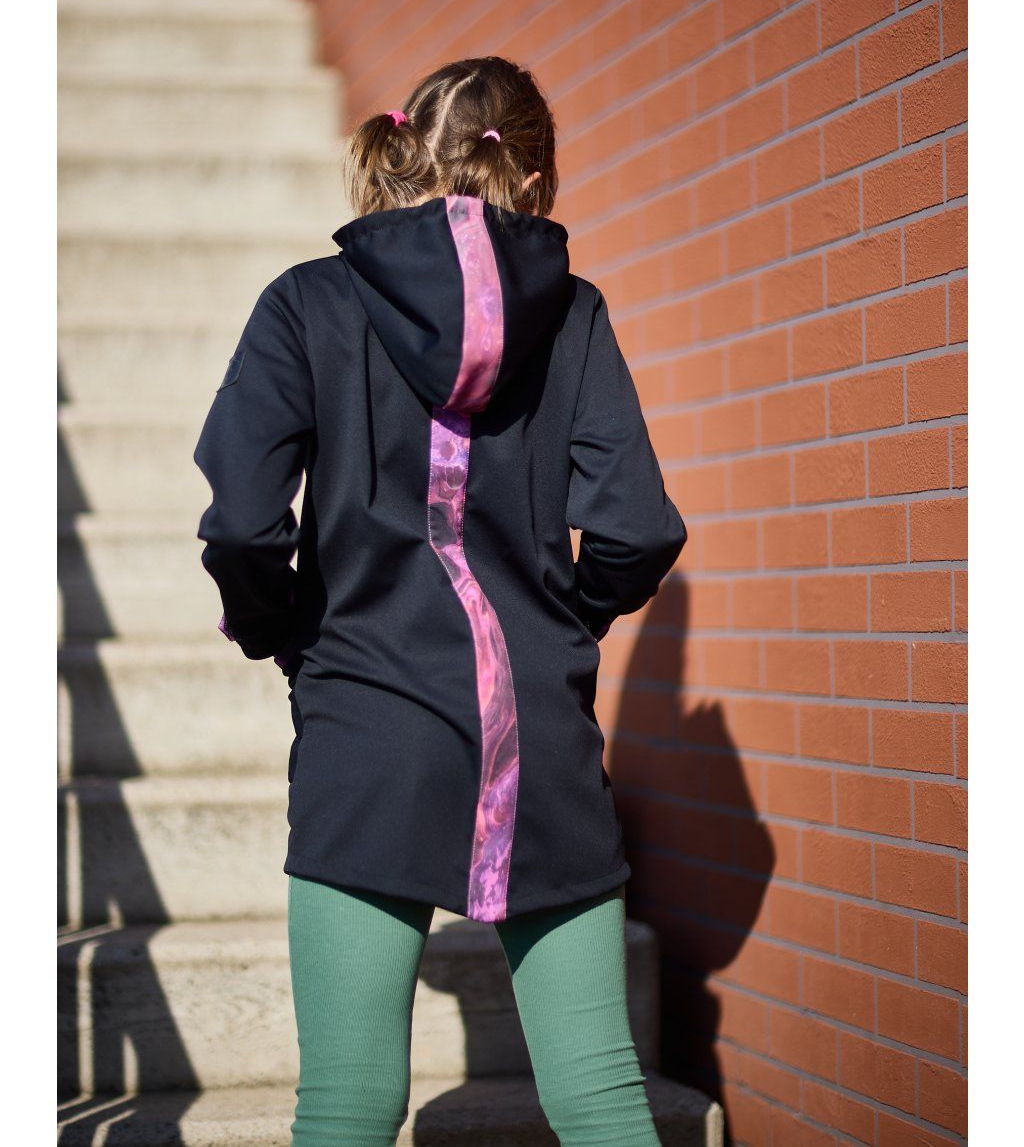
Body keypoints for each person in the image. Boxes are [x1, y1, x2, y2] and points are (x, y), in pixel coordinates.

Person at [194, 56, 687, 1145]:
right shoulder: (575, 314)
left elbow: (241, 524)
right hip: (537, 735)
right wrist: (567, 621)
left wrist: (285, 636)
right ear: (535, 180)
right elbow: (638, 530)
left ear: (407, 144)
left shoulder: (307, 302)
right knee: (602, 1096)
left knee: (349, 1100)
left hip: (364, 723)